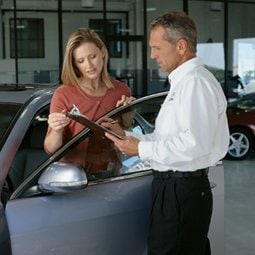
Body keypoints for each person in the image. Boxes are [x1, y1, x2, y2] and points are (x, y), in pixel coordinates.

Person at [104, 11, 230, 255]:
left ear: (181, 46)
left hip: (182, 192)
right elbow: (169, 139)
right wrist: (129, 136)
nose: (152, 55)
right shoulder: (183, 83)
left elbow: (195, 144)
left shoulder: (195, 83)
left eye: (157, 48)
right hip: (174, 190)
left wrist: (139, 149)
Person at [44, 28, 133, 177]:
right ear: (74, 64)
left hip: (111, 176)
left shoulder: (121, 90)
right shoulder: (64, 94)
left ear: (102, 52)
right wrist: (56, 130)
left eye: (93, 56)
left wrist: (128, 114)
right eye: (81, 61)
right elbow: (51, 149)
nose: (89, 65)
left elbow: (127, 138)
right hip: (73, 179)